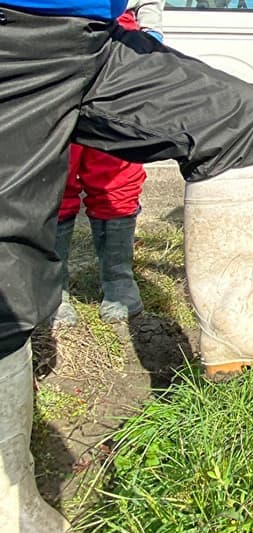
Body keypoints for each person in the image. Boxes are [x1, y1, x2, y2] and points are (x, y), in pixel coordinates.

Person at [0, 0, 253, 533]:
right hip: (13, 35)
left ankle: (235, 322)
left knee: (231, 114)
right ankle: (4, 490)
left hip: (93, 42)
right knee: (7, 250)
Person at [51, 0, 165, 327]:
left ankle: (118, 279)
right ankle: (51, 287)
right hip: (47, 35)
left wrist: (151, 30)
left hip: (118, 36)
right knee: (55, 167)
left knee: (116, 162)